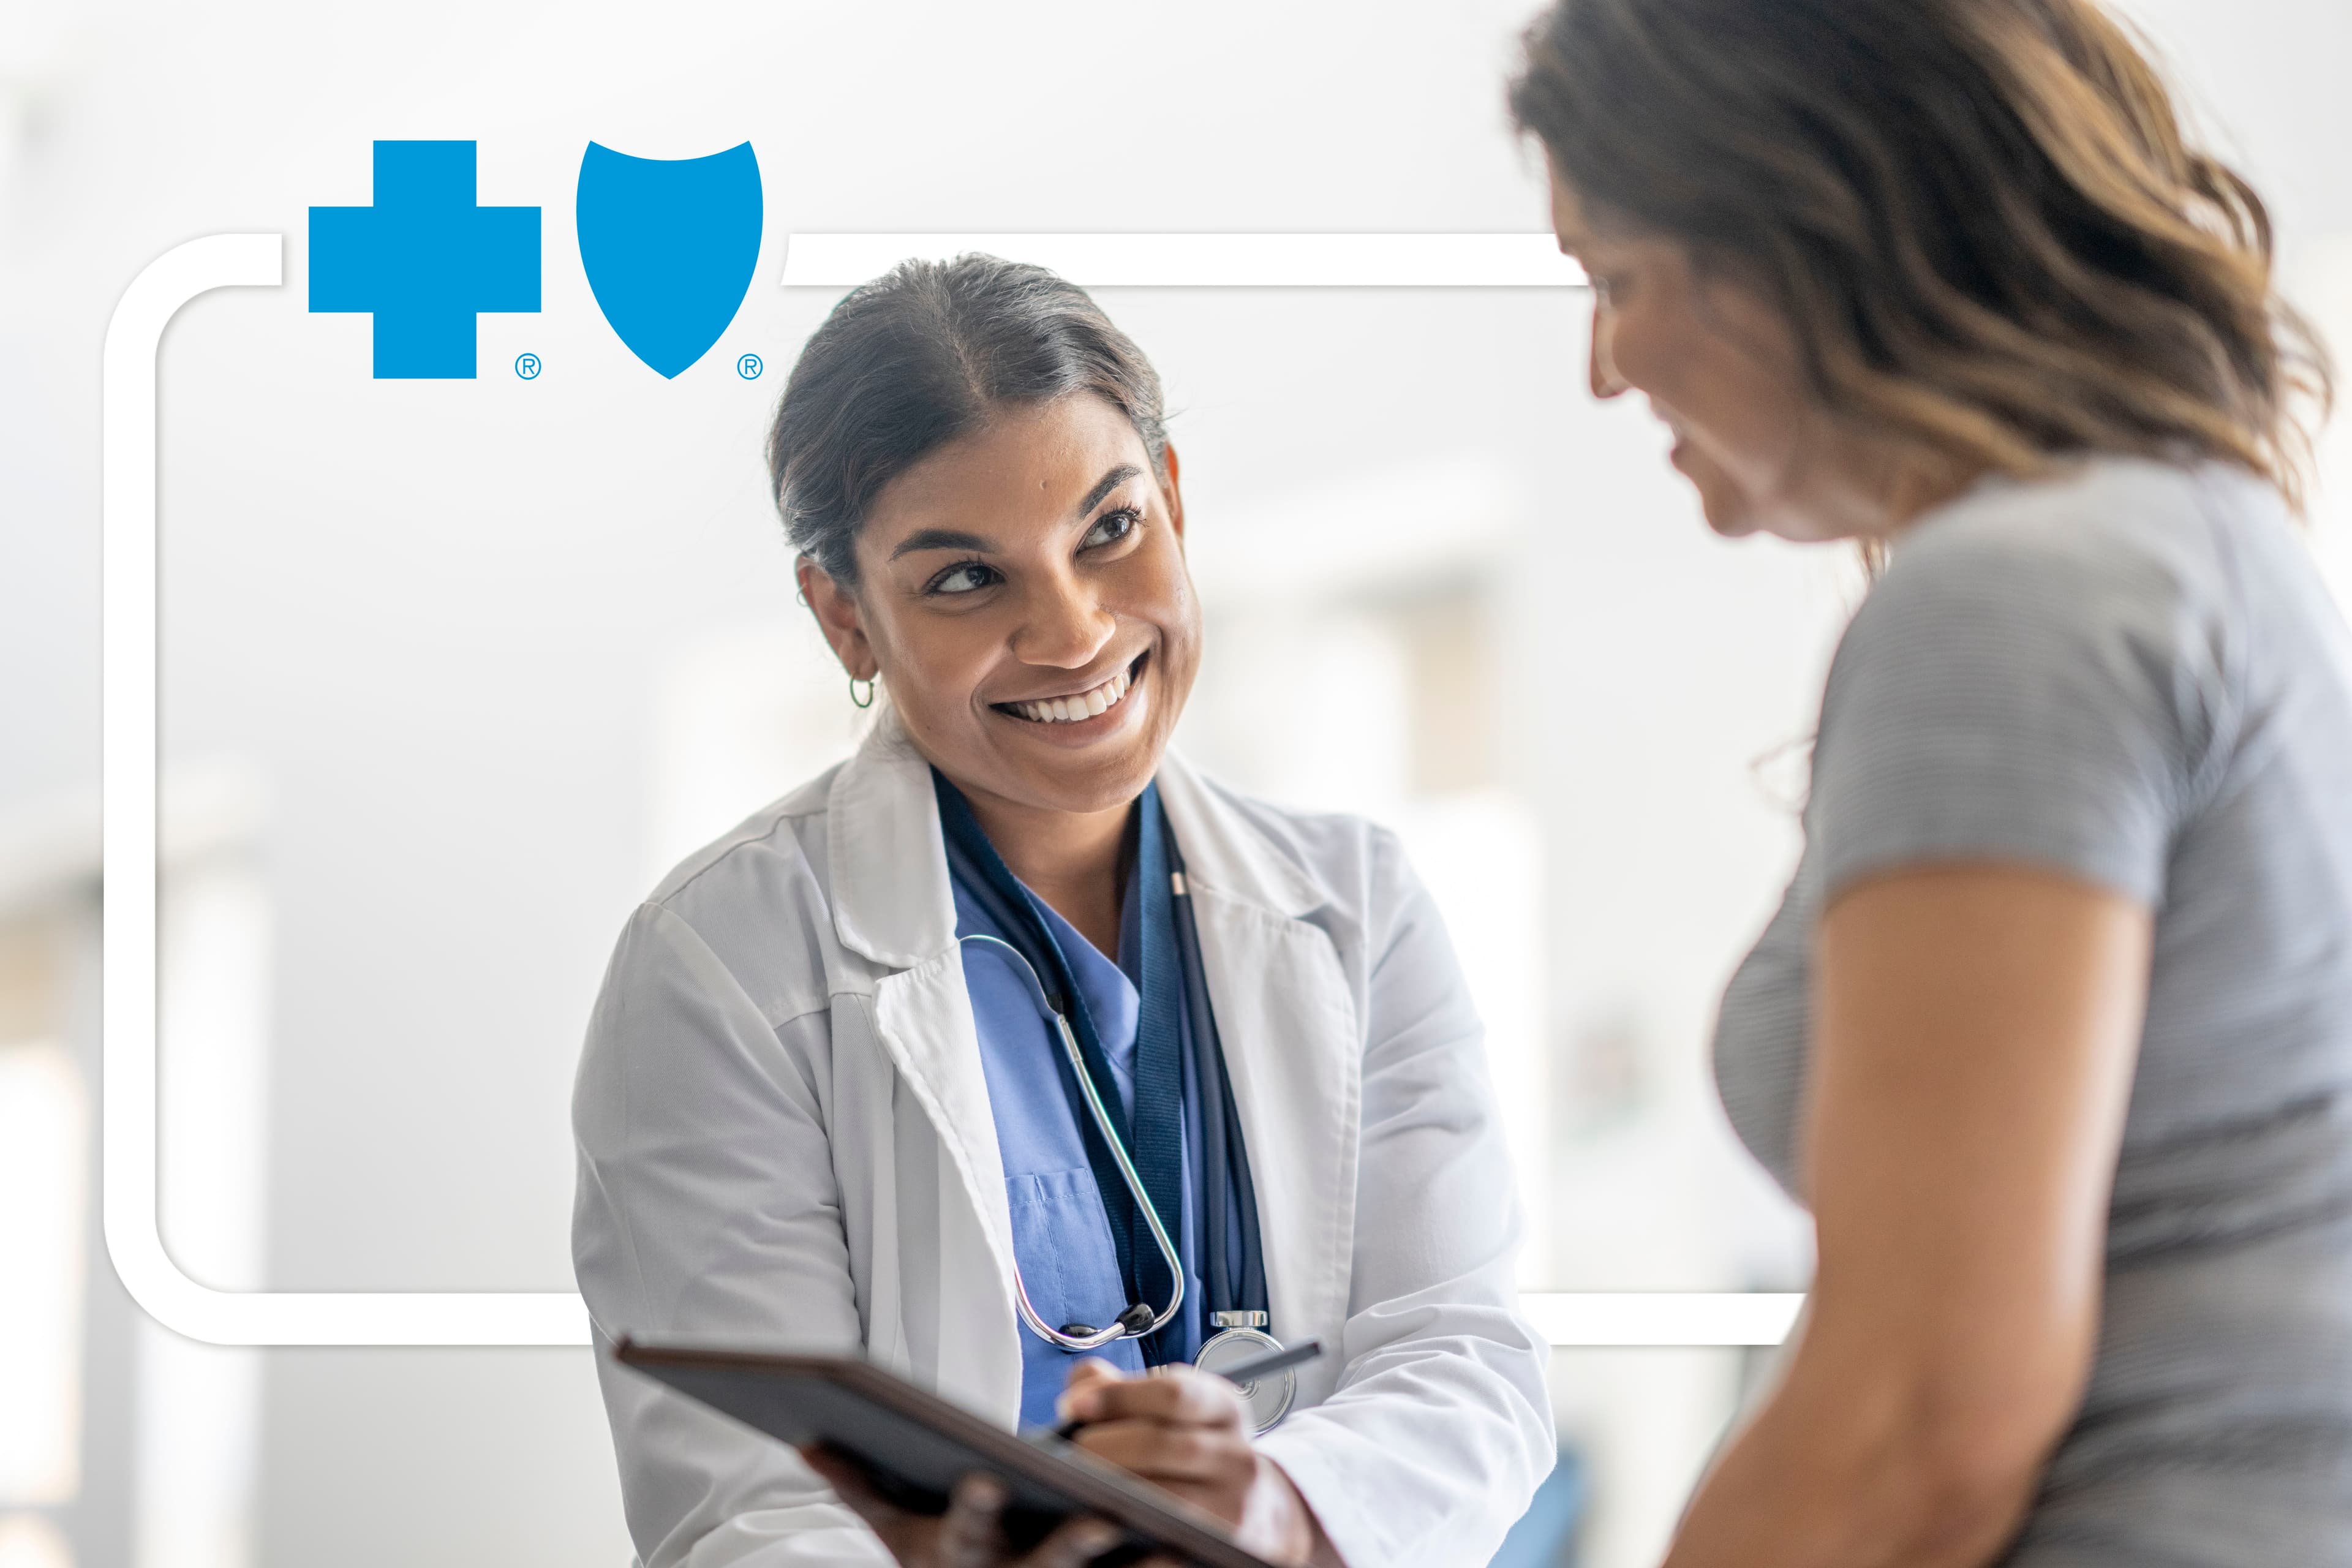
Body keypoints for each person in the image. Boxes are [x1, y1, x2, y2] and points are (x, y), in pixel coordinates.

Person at [1507, 1, 2349, 1564]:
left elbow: (1921, 1424)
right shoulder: (2190, 537)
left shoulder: (2015, 597)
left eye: (1617, 282)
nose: (1607, 370)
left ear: (1802, 223)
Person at [570, 255, 1552, 1568]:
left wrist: (1270, 1503)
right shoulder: (725, 963)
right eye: (968, 580)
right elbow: (748, 1504)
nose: (1077, 630)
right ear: (845, 619)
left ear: (1177, 503)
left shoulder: (1358, 908)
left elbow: (1465, 1362)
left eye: (1110, 528)